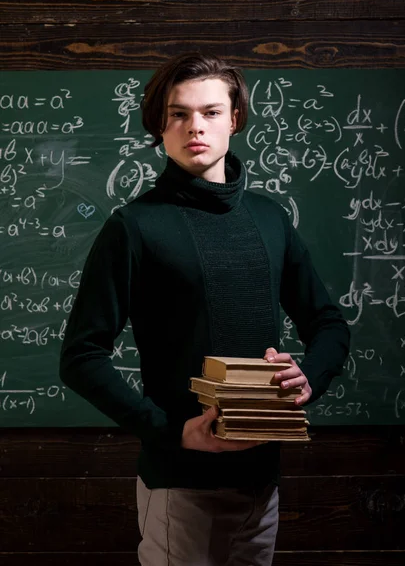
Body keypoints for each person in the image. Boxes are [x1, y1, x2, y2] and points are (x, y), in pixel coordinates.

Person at [60, 52, 350, 566]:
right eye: (179, 113)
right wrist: (171, 432)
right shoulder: (134, 227)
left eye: (211, 112)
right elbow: (81, 357)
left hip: (263, 484)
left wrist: (310, 377)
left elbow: (327, 323)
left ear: (234, 119)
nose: (196, 126)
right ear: (160, 125)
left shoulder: (270, 219)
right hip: (180, 487)